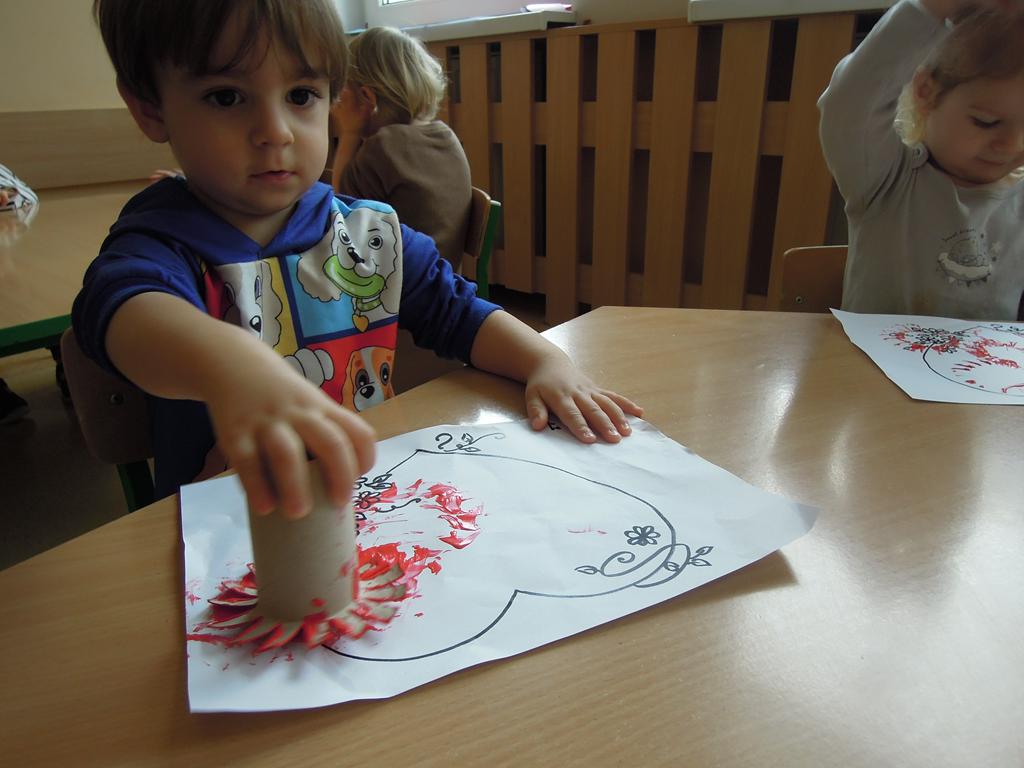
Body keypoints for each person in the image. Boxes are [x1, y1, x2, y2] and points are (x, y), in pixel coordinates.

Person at [75, 0, 643, 522]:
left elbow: (458, 313)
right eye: (226, 97)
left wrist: (545, 360)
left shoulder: (368, 235)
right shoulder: (163, 242)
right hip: (228, 523)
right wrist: (234, 367)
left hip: (366, 502)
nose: (276, 132)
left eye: (301, 95)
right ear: (150, 108)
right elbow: (123, 311)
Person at [818, 0, 1024, 320]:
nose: (1012, 144)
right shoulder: (886, 179)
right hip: (871, 354)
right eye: (986, 122)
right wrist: (932, 7)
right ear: (926, 92)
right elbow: (850, 105)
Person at [331, 26, 471, 268]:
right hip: (444, 276)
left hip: (402, 282)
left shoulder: (382, 147)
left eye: (342, 97)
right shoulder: (445, 135)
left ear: (367, 98)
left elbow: (342, 214)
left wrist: (349, 132)